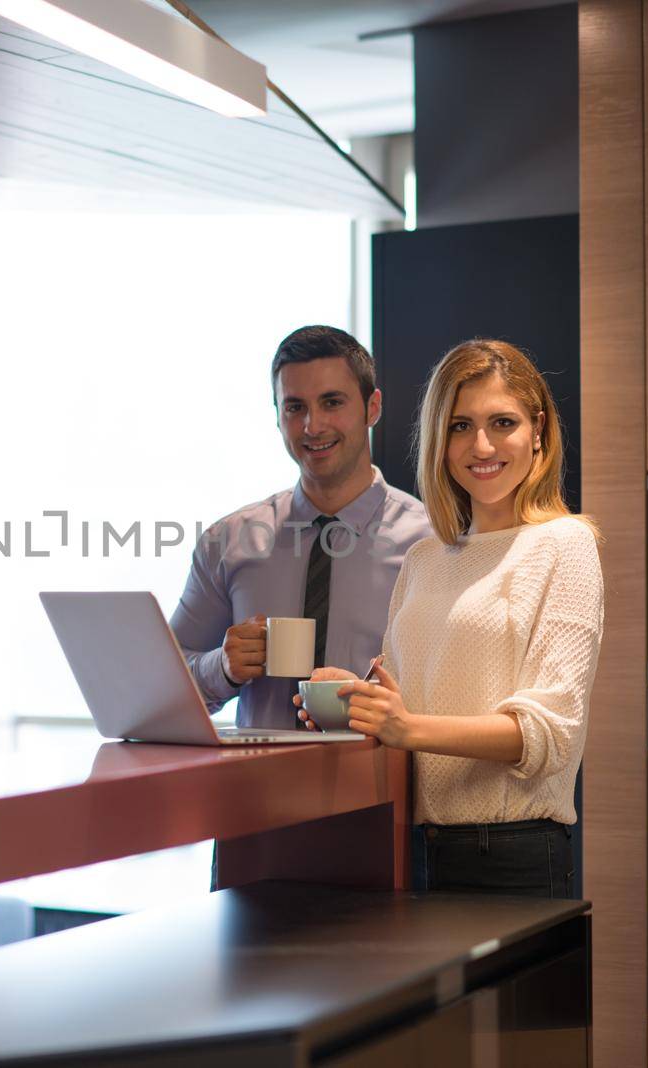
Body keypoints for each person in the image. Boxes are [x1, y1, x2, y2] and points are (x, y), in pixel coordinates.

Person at [297, 338, 603, 898]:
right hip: (409, 847)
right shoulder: (425, 557)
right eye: (460, 426)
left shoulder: (565, 545)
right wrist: (358, 700)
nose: (480, 445)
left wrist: (407, 727)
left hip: (512, 853)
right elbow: (408, 703)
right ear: (439, 439)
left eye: (502, 422)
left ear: (538, 430)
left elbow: (549, 734)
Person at [170, 326, 432, 730]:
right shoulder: (228, 543)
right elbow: (165, 687)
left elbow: (456, 690)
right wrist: (219, 667)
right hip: (257, 790)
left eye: (332, 402)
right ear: (277, 416)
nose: (313, 425)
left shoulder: (431, 544)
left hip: (383, 787)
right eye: (295, 407)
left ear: (373, 407)